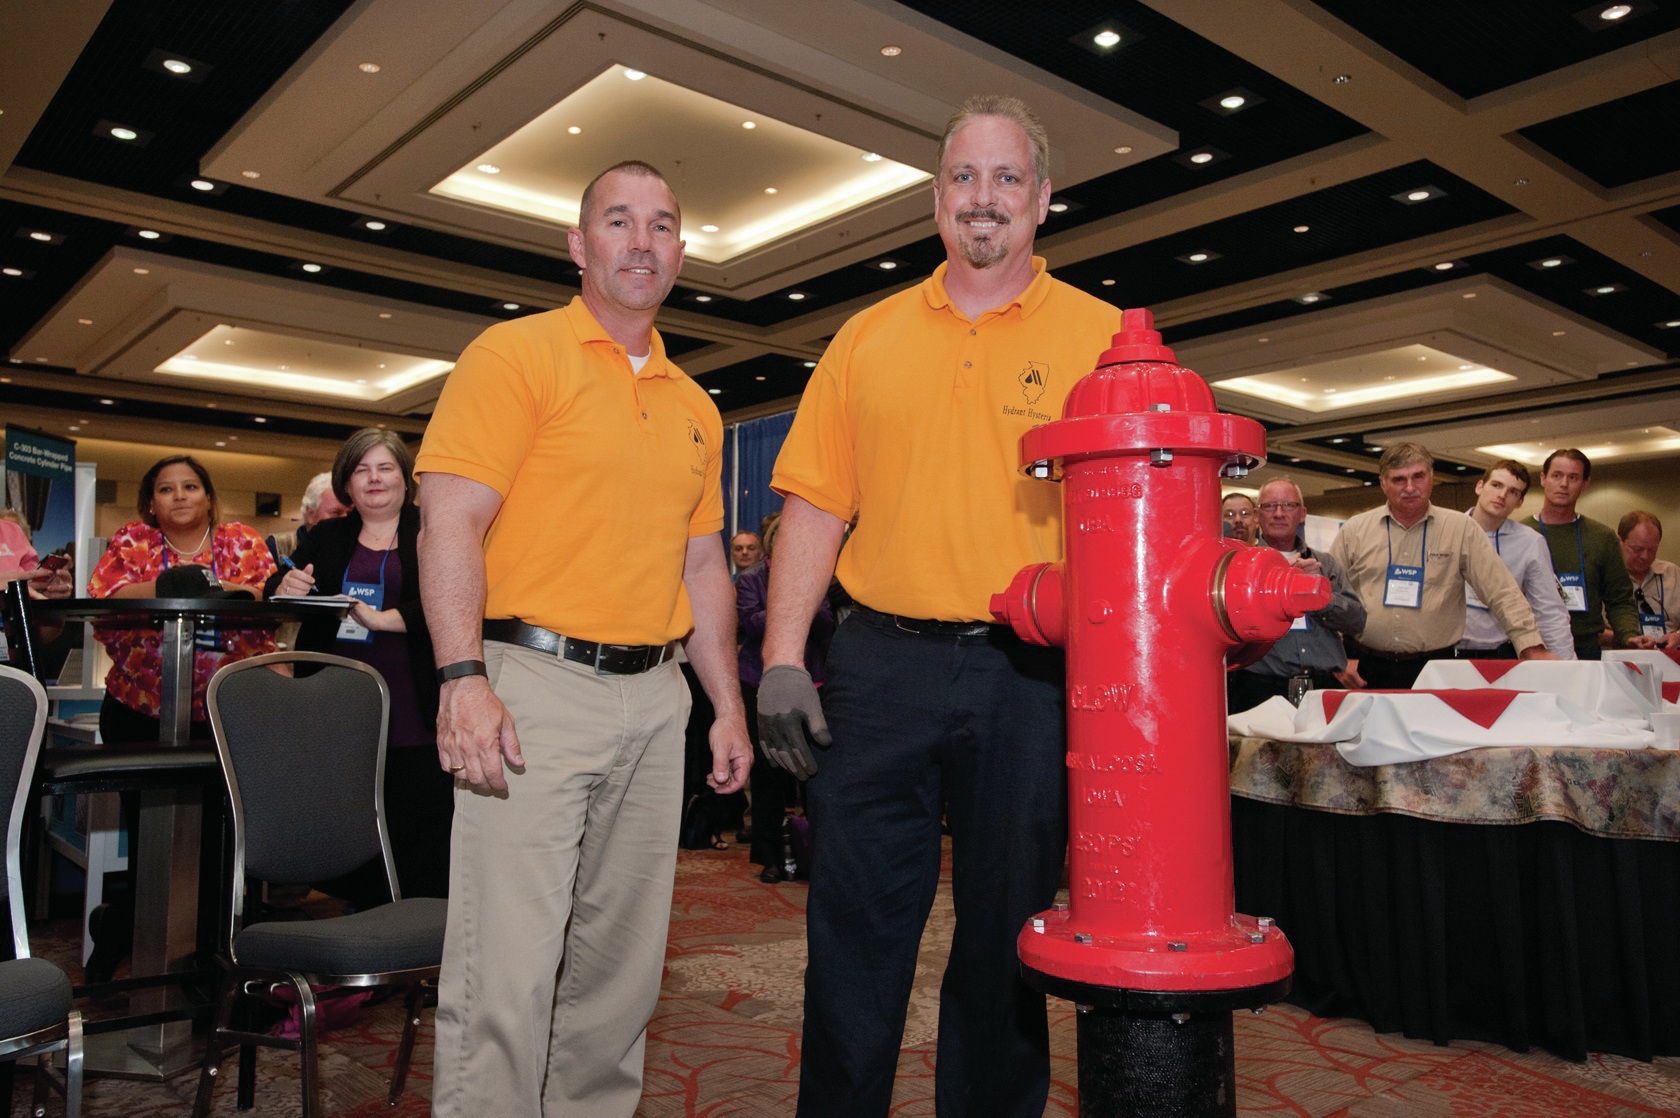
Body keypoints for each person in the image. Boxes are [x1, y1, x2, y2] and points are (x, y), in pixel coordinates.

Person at [758, 94, 1126, 1118]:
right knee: (854, 931)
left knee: (1009, 936)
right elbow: (815, 507)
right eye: (965, 177)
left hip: (1033, 674)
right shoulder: (865, 338)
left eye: (1008, 178)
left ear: (1044, 199)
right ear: (934, 200)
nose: (984, 198)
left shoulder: (1104, 340)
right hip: (879, 670)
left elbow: (1133, 528)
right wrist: (784, 654)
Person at [415, 159, 752, 1117]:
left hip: (656, 701)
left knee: (620, 980)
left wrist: (725, 703)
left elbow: (702, 570)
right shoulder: (515, 357)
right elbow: (450, 522)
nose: (641, 243)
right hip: (531, 687)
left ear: (681, 253)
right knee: (505, 974)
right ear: (578, 244)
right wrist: (462, 677)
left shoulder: (696, 405)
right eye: (618, 221)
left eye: (660, 226)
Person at [264, 428, 449, 901]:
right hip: (339, 703)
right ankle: (363, 926)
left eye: (385, 468)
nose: (373, 479)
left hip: (415, 697)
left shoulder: (432, 528)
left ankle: (420, 942)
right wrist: (285, 591)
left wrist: (388, 619)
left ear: (406, 479)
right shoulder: (328, 535)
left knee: (419, 821)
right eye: (361, 470)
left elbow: (458, 598)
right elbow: (279, 591)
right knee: (354, 818)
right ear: (346, 483)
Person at [1329, 443, 1555, 689]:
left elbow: (1501, 591)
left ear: (1431, 477)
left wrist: (1531, 647)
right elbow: (1329, 598)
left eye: (1418, 476)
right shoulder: (1355, 530)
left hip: (1434, 670)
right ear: (1383, 483)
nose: (1410, 488)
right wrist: (1337, 656)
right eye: (1398, 480)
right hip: (1362, 667)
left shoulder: (1461, 529)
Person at [87, 455, 276, 743]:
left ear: (209, 499)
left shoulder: (241, 540)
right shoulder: (133, 540)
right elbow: (106, 597)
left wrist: (197, 583)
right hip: (137, 707)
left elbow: (266, 600)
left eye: (190, 487)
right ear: (150, 503)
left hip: (232, 708)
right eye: (165, 489)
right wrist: (188, 584)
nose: (179, 496)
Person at [737, 513, 832, 882]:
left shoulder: (817, 577)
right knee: (768, 774)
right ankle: (770, 857)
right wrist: (794, 608)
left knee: (813, 772)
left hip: (813, 684)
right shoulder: (751, 581)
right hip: (758, 682)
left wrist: (795, 611)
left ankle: (817, 852)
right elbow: (751, 624)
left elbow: (826, 623)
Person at [1227, 478, 1365, 712]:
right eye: (1270, 506)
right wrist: (1281, 586)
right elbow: (1230, 624)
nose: (1279, 513)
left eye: (1288, 506)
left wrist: (1315, 594)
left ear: (1302, 514)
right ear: (1258, 516)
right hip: (1259, 690)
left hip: (1323, 688)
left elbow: (1357, 621)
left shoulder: (1325, 564)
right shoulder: (1239, 564)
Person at [1523, 449, 1653, 658]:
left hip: (1587, 648)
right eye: (1557, 476)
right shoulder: (1521, 534)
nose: (1564, 484)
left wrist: (1629, 635)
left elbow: (1619, 600)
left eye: (1573, 477)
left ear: (1585, 484)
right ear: (1543, 479)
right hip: (1531, 648)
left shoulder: (1602, 537)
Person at [1456, 460, 1575, 659]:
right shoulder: (1448, 531)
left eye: (1513, 492)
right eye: (1496, 485)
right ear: (1479, 486)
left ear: (1519, 502)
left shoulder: (1530, 542)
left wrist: (1567, 667)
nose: (1501, 496)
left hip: (1504, 654)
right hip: (1450, 654)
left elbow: (1549, 611)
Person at [1615, 511, 1680, 650]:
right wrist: (1627, 639)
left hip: (1669, 658)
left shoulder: (1673, 574)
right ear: (1619, 541)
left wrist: (1678, 636)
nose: (1645, 556)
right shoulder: (1606, 576)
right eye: (1637, 549)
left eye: (1652, 549)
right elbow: (1593, 632)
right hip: (1621, 659)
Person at [266, 472, 350, 561]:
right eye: (336, 513)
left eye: (349, 513)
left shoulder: (355, 550)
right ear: (311, 513)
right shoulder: (278, 547)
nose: (346, 519)